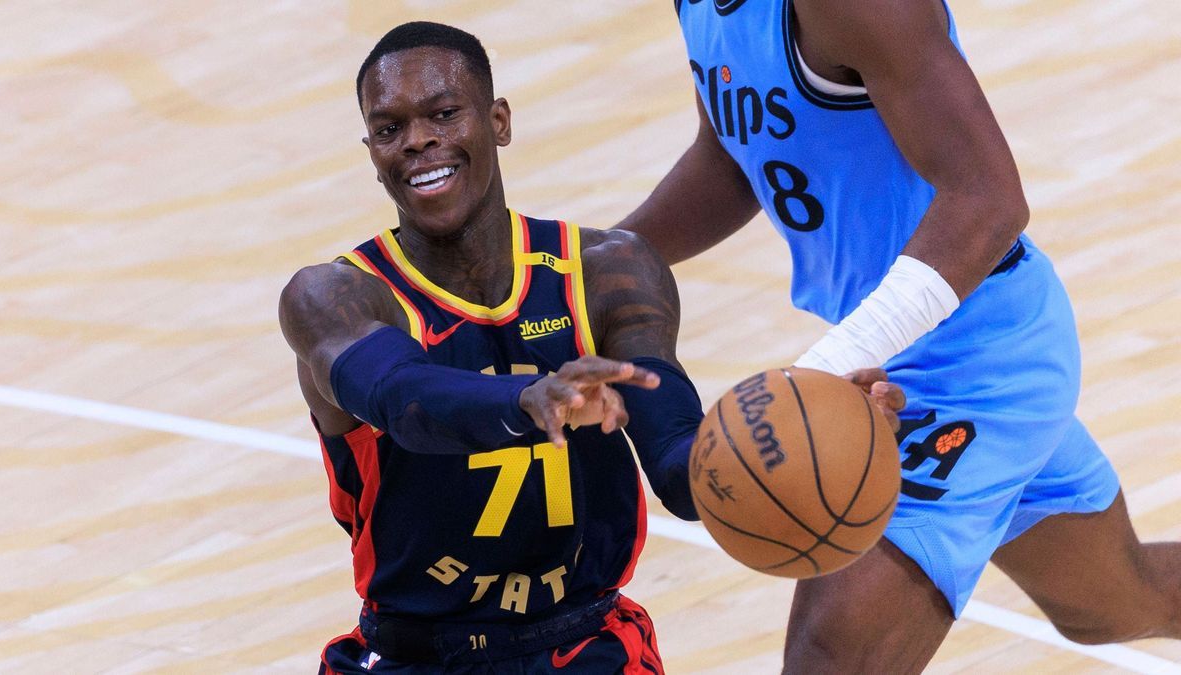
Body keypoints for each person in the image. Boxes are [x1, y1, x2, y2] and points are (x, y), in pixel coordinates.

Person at [280, 21, 904, 674]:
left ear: (498, 121)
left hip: (584, 647)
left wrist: (819, 435)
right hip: (416, 652)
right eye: (389, 129)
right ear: (372, 150)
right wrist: (529, 400)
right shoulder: (334, 296)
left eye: (442, 113)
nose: (418, 141)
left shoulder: (608, 271)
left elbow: (679, 468)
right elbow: (402, 398)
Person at [618, 0, 1181, 671]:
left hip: (978, 357)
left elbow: (989, 200)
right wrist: (602, 258)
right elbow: (731, 155)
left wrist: (827, 367)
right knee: (1114, 603)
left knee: (828, 657)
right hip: (893, 353)